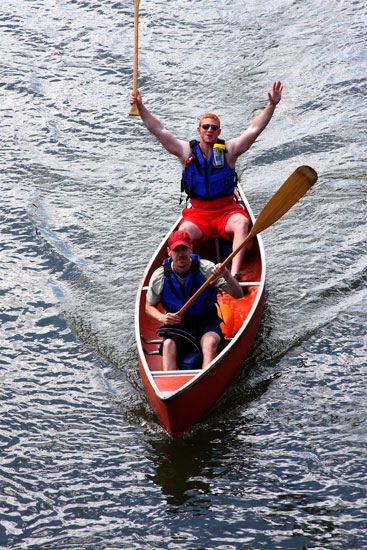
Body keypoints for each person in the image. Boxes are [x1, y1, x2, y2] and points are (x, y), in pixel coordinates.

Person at [130, 81, 283, 279]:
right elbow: (158, 130)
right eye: (206, 127)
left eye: (214, 127)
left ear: (219, 132)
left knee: (241, 224)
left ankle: (234, 273)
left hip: (227, 210)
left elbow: (254, 129)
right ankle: (188, 277)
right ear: (199, 130)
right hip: (198, 213)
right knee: (183, 234)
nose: (209, 130)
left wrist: (271, 106)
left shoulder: (230, 150)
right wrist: (141, 107)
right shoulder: (185, 152)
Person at [145, 230, 243, 371]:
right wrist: (163, 317)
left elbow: (238, 294)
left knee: (209, 343)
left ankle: (206, 382)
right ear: (168, 252)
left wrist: (226, 274)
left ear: (191, 248)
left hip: (206, 321)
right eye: (176, 250)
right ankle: (172, 386)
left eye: (184, 248)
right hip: (178, 323)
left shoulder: (206, 269)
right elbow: (148, 307)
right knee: (167, 346)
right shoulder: (159, 276)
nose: (180, 254)